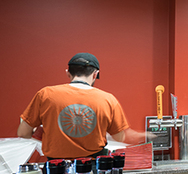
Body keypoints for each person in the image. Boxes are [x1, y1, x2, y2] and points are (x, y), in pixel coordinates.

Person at [17, 53, 147, 159]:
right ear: (95, 74)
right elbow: (120, 137)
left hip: (56, 170)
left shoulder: (45, 94)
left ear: (68, 72)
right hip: (94, 167)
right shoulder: (108, 99)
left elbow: (23, 133)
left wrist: (42, 132)